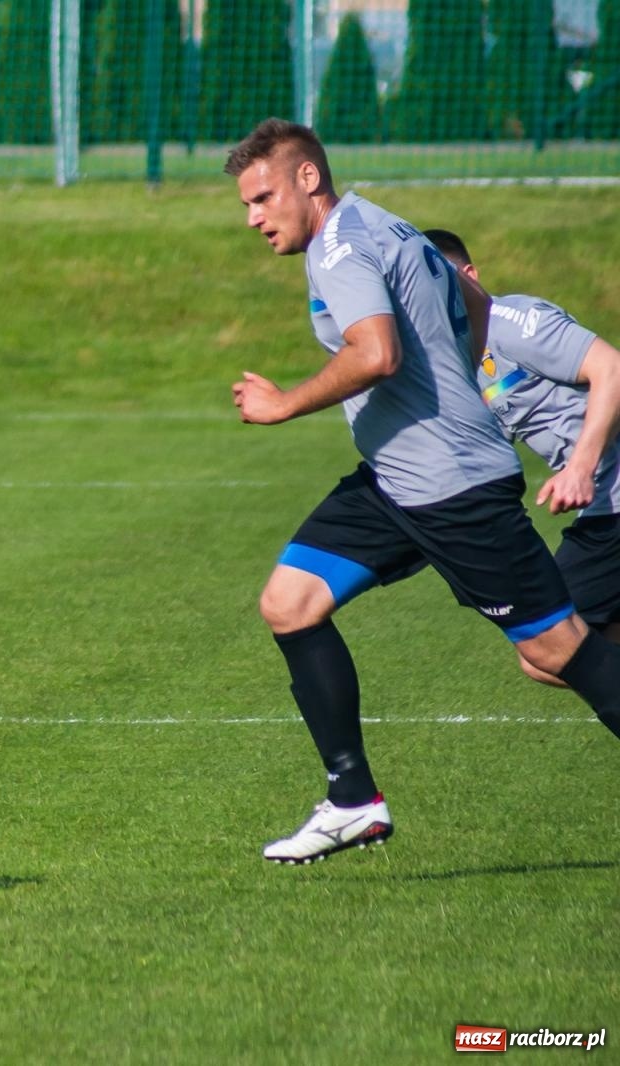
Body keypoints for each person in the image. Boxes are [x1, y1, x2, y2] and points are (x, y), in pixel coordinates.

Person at [225, 119, 620, 865]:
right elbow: (476, 315)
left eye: (263, 197)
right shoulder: (391, 227)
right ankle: (353, 801)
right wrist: (450, 399)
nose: (253, 217)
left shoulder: (340, 249)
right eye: (246, 204)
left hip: (451, 491)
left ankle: (353, 799)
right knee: (289, 601)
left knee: (560, 651)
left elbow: (375, 353)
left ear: (308, 178)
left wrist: (284, 404)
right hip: (396, 480)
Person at [423, 228, 620, 680]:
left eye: (440, 278)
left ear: (469, 275)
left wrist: (580, 468)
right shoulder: (461, 357)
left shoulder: (512, 321)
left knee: (550, 648)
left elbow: (612, 368)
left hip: (613, 500)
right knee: (565, 646)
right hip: (606, 508)